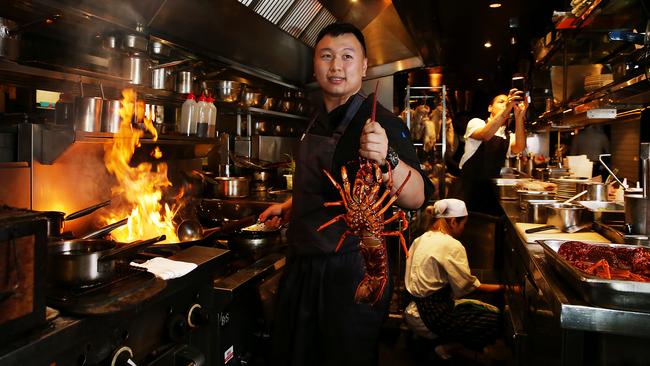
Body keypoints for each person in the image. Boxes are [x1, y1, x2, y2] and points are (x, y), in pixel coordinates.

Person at [258, 22, 434, 366]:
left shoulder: (382, 123)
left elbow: (417, 197)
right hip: (301, 266)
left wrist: (389, 158)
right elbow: (331, 190)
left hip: (350, 274)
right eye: (326, 56)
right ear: (315, 65)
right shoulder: (316, 118)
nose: (336, 66)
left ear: (364, 66)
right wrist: (293, 205)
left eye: (347, 57)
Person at [404, 199, 505, 361]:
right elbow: (465, 288)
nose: (463, 229)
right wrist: (504, 287)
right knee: (495, 320)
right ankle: (447, 347)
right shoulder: (451, 245)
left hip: (410, 310)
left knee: (471, 307)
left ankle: (432, 343)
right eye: (463, 224)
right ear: (452, 221)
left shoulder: (420, 239)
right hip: (432, 316)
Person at [458, 90, 527, 214]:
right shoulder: (476, 123)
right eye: (501, 102)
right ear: (490, 108)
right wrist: (507, 109)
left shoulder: (507, 135)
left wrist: (519, 117)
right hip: (469, 190)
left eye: (507, 103)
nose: (505, 105)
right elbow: (486, 135)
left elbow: (519, 147)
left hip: (490, 193)